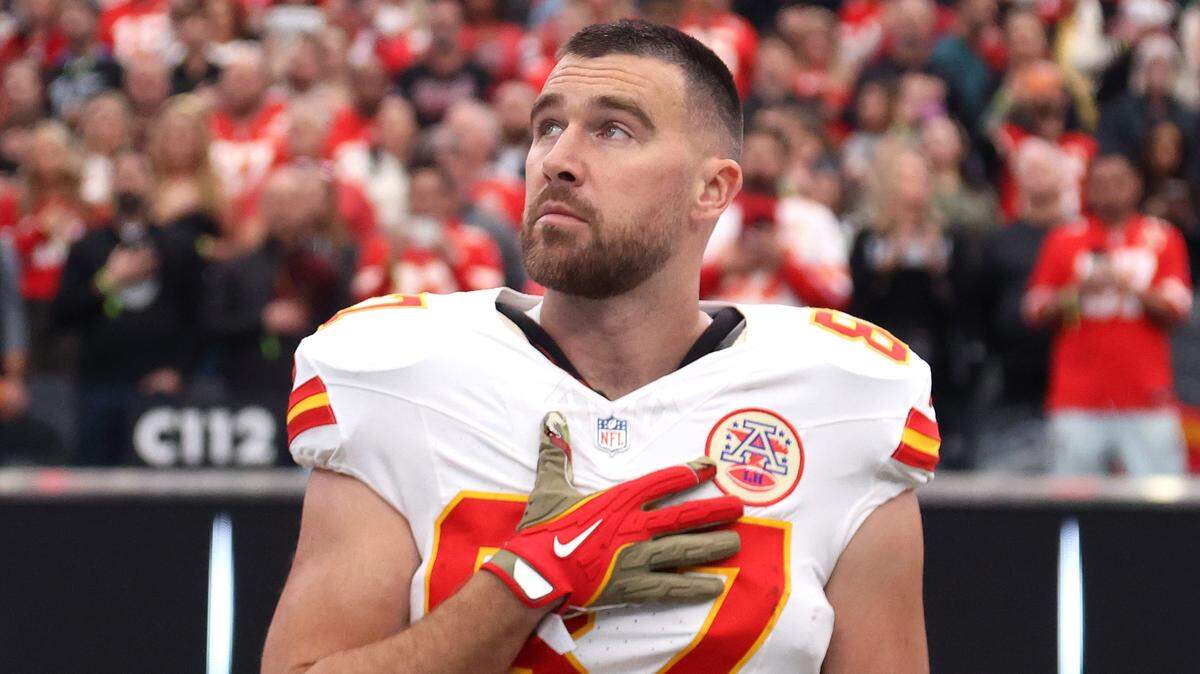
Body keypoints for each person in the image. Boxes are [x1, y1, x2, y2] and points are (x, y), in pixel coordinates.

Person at [264, 21, 935, 673]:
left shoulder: (842, 399)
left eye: (614, 130)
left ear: (712, 189)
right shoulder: (401, 372)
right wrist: (524, 582)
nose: (557, 160)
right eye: (547, 127)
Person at [1024, 154, 1193, 475]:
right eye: (1100, 184)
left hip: (1147, 395)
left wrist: (1130, 288)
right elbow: (1034, 310)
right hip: (1078, 397)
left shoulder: (1162, 237)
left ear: (1136, 186)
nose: (1109, 191)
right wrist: (1079, 290)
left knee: (1159, 500)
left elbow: (1178, 309)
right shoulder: (1064, 239)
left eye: (1118, 182)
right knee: (1071, 500)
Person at [51, 151, 204, 465]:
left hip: (161, 388)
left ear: (152, 184)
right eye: (121, 176)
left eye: (136, 176)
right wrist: (108, 281)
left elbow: (199, 318)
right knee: (95, 482)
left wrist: (179, 371)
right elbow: (61, 316)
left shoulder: (179, 245)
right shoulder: (88, 246)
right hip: (100, 387)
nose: (128, 184)